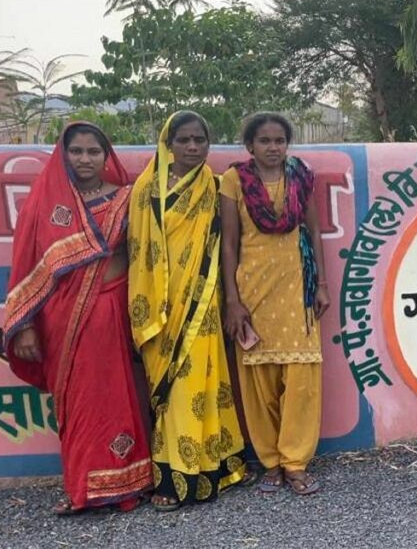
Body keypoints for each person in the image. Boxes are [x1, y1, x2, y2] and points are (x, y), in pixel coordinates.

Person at [4, 122, 152, 515]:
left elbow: (151, 257)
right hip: (63, 321)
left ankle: (129, 482)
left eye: (93, 151)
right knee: (80, 406)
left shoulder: (128, 199)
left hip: (117, 312)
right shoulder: (42, 203)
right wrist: (25, 326)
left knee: (123, 396)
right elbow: (24, 267)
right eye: (76, 151)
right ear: (63, 154)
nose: (84, 159)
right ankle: (83, 489)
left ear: (107, 156)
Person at [128, 110, 253, 510]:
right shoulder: (146, 191)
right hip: (162, 311)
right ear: (168, 143)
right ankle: (172, 475)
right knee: (173, 391)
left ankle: (214, 467)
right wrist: (151, 309)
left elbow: (230, 245)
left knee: (204, 386)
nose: (193, 147)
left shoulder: (216, 188)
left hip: (203, 306)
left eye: (200, 140)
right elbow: (139, 254)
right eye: (184, 140)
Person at [220, 112, 330, 496]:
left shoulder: (300, 176)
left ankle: (295, 462)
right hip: (253, 292)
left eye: (279, 140)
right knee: (259, 382)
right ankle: (270, 461)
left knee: (301, 382)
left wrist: (323, 284)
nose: (273, 148)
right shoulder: (234, 181)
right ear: (250, 146)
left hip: (298, 289)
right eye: (264, 141)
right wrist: (232, 300)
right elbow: (229, 245)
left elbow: (314, 231)